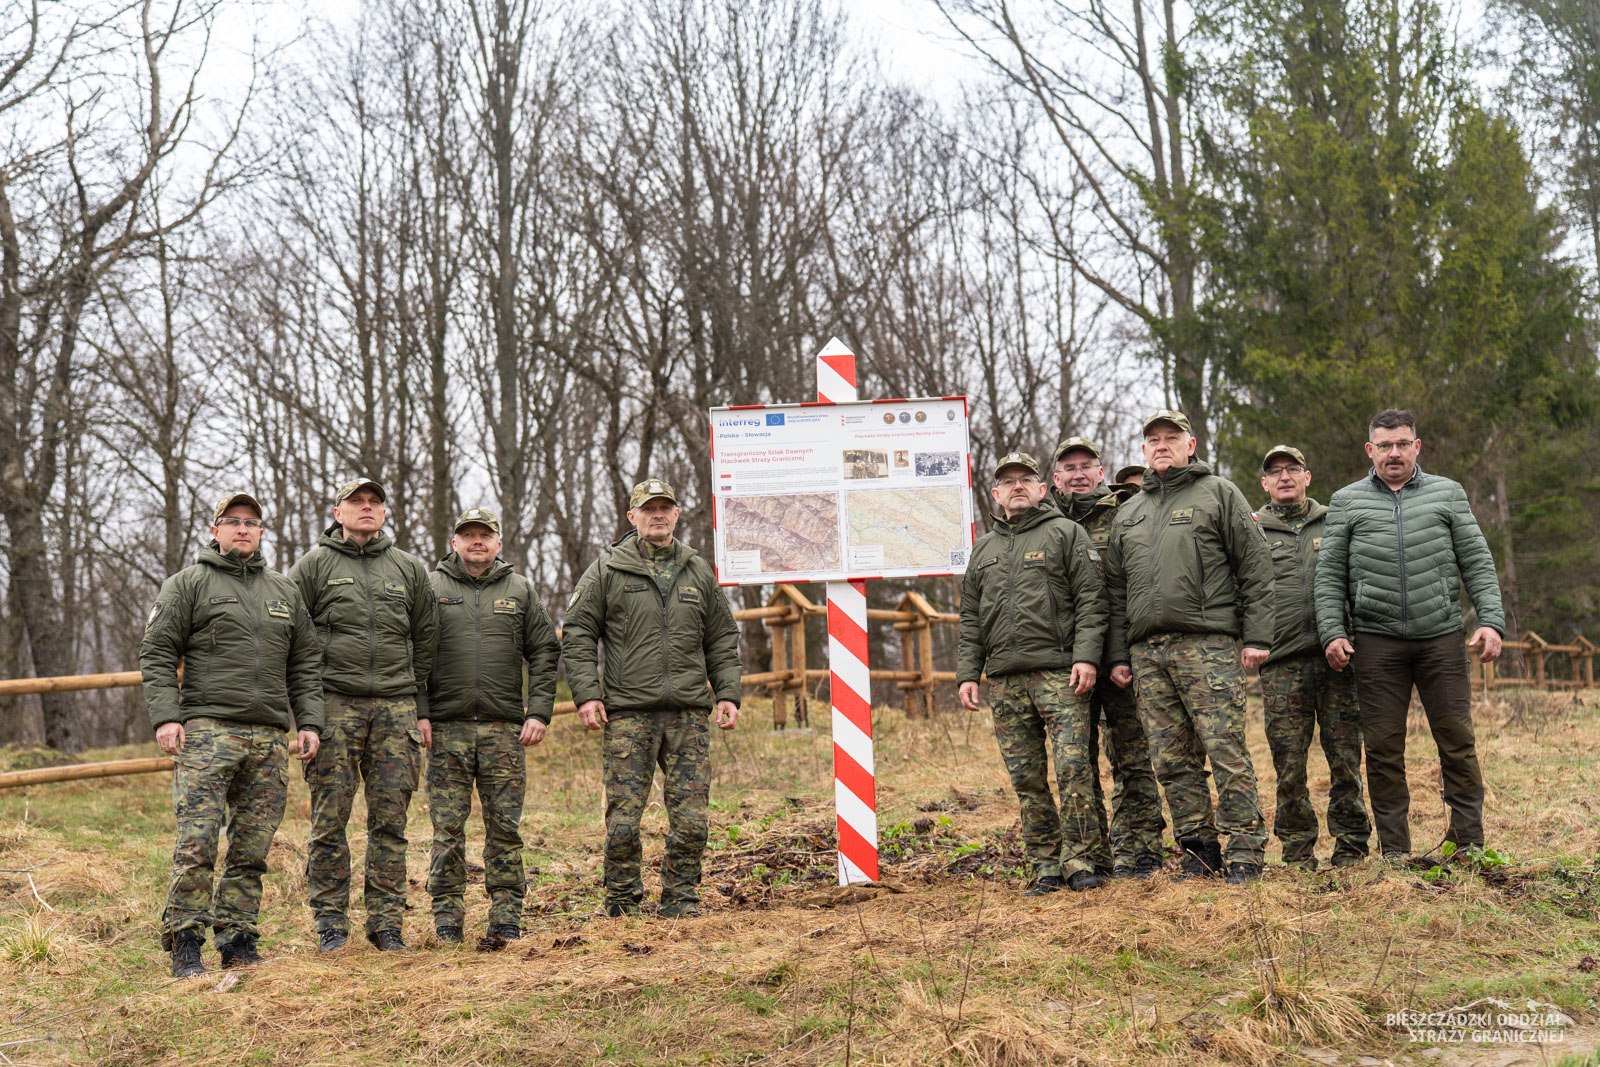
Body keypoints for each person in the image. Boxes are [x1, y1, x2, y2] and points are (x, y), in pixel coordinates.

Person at [141, 493, 323, 977]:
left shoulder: (284, 591)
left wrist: (309, 722)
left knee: (252, 846)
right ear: (214, 530)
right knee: (197, 842)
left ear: (262, 532)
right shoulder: (188, 584)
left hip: (267, 738)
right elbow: (157, 653)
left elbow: (305, 664)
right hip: (207, 732)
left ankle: (238, 940)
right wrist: (167, 717)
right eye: (232, 522)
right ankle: (185, 942)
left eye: (252, 522)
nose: (243, 529)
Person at [1315, 409, 1504, 863]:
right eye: (1385, 445)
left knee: (1457, 741)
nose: (1394, 452)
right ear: (1370, 450)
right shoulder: (1347, 501)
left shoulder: (1448, 493)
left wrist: (1491, 621)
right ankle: (1396, 854)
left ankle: (1469, 847)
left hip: (1441, 637)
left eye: (1402, 443)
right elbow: (1328, 578)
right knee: (1382, 749)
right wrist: (1332, 633)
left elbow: (1477, 561)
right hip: (1376, 644)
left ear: (1417, 446)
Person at [1104, 411, 1274, 883]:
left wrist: (1257, 636)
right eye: (1153, 439)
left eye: (1171, 438)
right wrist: (1118, 655)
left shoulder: (1219, 493)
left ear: (1190, 444)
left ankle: (1245, 851)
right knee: (1172, 760)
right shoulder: (1130, 512)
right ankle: (1199, 852)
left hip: (1209, 647)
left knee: (1225, 750)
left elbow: (1256, 568)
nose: (1162, 445)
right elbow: (1115, 593)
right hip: (1147, 655)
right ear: (1143, 450)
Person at [562, 478, 742, 918]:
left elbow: (721, 637)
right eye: (648, 508)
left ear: (677, 514)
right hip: (628, 715)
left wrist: (728, 694)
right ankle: (622, 903)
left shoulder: (697, 569)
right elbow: (579, 633)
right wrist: (587, 695)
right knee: (623, 820)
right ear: (632, 517)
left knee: (693, 820)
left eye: (665, 507)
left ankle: (681, 900)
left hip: (688, 715)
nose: (657, 514)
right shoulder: (607, 570)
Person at [291, 479, 438, 952]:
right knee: (330, 819)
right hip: (335, 704)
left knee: (391, 820)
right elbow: (292, 639)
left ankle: (386, 923)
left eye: (375, 502)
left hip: (396, 709)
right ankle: (331, 922)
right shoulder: (313, 567)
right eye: (358, 503)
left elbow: (427, 637)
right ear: (338, 513)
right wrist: (307, 713)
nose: (367, 509)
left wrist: (418, 706)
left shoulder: (407, 568)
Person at [958, 452, 1110, 893]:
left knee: (1073, 768)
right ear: (995, 494)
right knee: (1026, 779)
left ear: (1044, 489)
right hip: (1005, 681)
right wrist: (969, 673)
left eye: (1026, 479)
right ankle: (1045, 866)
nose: (1017, 486)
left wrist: (1085, 657)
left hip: (1058, 676)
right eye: (1008, 481)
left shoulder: (1066, 533)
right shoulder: (984, 549)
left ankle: (1082, 861)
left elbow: (1091, 600)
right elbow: (971, 618)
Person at [425, 508, 560, 944]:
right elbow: (413, 656)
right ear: (455, 542)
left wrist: (538, 711)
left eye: (485, 535)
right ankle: (447, 919)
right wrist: (421, 711)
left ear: (498, 543)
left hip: (504, 730)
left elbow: (544, 652)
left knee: (505, 828)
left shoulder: (519, 589)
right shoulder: (431, 587)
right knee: (447, 829)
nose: (477, 542)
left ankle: (506, 916)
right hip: (447, 729)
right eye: (468, 535)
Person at [1049, 437, 1167, 878]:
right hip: (1066, 660)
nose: (1078, 473)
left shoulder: (1126, 513)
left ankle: (1145, 851)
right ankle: (1093, 856)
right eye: (1069, 467)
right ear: (1055, 479)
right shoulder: (1045, 521)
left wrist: (1127, 651)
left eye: (1087, 465)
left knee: (1133, 756)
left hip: (1121, 655)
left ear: (1102, 472)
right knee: (1076, 762)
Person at [1255, 445, 1370, 869]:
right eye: (1275, 471)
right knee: (1288, 764)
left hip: (1337, 659)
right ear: (1264, 483)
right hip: (1281, 663)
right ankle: (1298, 848)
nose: (1284, 476)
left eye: (1293, 469)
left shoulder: (1336, 521)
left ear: (1308, 477)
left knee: (1345, 758)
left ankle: (1352, 845)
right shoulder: (1252, 530)